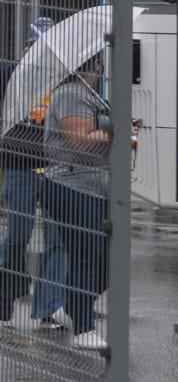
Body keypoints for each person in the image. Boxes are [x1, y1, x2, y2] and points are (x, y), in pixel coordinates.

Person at [41, 52, 112, 352]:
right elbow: (79, 140)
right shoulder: (70, 93)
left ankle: (73, 303)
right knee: (86, 253)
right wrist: (114, 130)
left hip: (93, 188)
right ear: (94, 64)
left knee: (104, 259)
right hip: (71, 187)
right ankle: (84, 326)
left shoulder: (87, 93)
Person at [0, 49, 66, 331]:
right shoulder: (9, 75)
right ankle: (3, 306)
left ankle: (47, 310)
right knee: (17, 237)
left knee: (59, 240)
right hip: (19, 166)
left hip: (55, 168)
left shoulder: (64, 82)